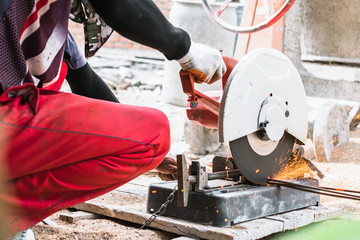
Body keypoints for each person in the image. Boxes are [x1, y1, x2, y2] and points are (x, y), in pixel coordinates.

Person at [0, 0, 226, 238]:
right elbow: (118, 6)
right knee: (157, 130)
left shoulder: (46, 22)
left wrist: (149, 154)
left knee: (150, 137)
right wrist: (185, 48)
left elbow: (84, 81)